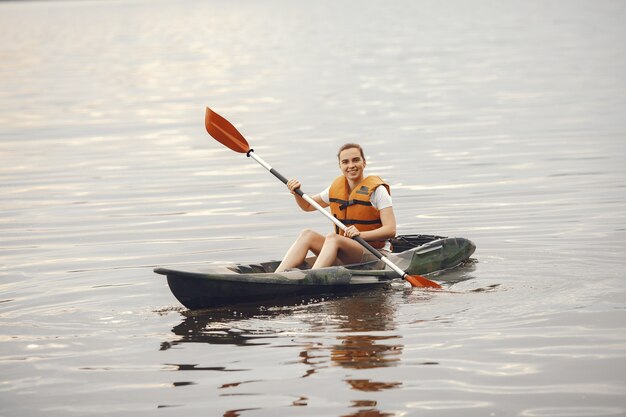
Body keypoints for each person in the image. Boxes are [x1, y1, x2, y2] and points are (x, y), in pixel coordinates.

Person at [275, 143, 396, 272]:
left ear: (364, 163)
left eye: (355, 160)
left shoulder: (378, 191)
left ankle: (312, 278)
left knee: (333, 238)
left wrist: (361, 234)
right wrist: (296, 193)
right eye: (345, 162)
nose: (351, 166)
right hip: (347, 251)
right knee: (307, 234)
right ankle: (277, 276)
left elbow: (391, 230)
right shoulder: (335, 189)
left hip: (377, 254)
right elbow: (308, 205)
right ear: (340, 166)